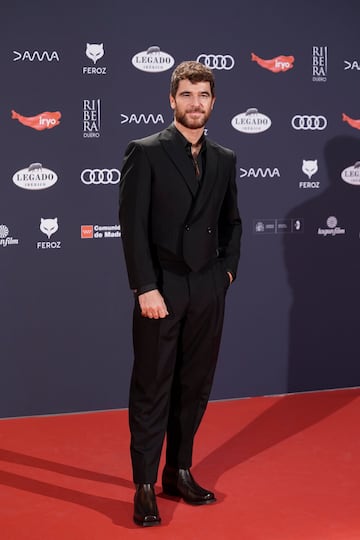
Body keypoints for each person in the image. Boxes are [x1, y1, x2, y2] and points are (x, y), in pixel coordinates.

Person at [119, 60, 242, 527]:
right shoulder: (145, 152)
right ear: (172, 100)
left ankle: (179, 470)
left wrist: (225, 275)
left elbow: (233, 222)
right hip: (162, 287)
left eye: (203, 96)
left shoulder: (225, 159)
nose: (195, 104)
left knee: (195, 386)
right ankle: (145, 485)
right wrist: (145, 286)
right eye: (187, 95)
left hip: (207, 288)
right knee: (152, 388)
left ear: (213, 103)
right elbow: (132, 229)